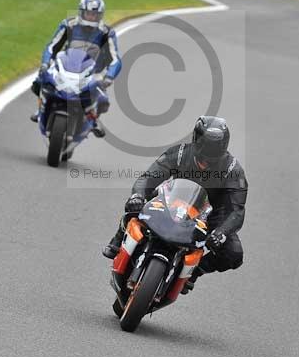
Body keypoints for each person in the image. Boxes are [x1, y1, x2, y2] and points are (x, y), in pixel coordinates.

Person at [103, 116, 247, 292]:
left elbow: (237, 211)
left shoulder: (233, 170)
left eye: (215, 148)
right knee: (136, 204)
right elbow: (147, 179)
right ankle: (118, 239)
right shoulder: (178, 154)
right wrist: (137, 196)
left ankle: (194, 271)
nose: (207, 158)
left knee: (234, 254)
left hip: (209, 215)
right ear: (196, 139)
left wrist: (221, 233)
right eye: (205, 146)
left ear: (224, 146)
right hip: (170, 201)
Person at [30, 0, 122, 136]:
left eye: (95, 15)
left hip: (93, 71)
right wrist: (45, 63)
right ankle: (41, 107)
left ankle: (93, 118)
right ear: (81, 12)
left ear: (100, 16)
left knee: (103, 100)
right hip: (68, 64)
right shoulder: (68, 25)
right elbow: (52, 46)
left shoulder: (107, 33)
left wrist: (109, 77)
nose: (91, 17)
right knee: (40, 81)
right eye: (89, 14)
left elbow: (116, 59)